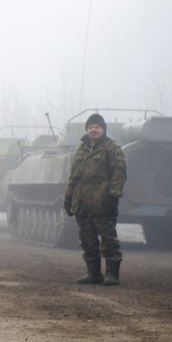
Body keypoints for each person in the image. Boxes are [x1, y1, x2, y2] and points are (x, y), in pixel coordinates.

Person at [63, 113, 128, 285]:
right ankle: (93, 273)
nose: (94, 130)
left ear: (103, 130)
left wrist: (114, 196)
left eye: (97, 127)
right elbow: (74, 176)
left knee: (108, 239)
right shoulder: (82, 149)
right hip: (82, 202)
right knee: (87, 240)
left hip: (102, 201)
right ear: (86, 129)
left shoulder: (112, 148)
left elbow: (119, 173)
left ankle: (112, 274)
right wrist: (68, 196)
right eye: (91, 127)